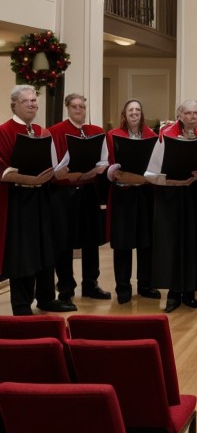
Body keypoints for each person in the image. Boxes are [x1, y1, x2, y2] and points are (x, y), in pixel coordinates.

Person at [0, 86, 71, 315]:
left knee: (45, 247)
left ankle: (46, 298)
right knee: (22, 252)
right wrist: (30, 180)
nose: (32, 104)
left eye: (34, 101)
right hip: (18, 201)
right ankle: (21, 304)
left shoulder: (42, 131)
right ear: (15, 104)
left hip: (42, 198)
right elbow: (2, 172)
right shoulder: (3, 131)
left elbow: (51, 163)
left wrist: (59, 172)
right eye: (27, 101)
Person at [145, 99, 197, 312]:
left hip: (192, 193)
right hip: (170, 196)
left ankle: (190, 293)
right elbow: (151, 172)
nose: (194, 117)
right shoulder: (166, 135)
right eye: (189, 113)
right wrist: (170, 180)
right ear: (180, 115)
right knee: (172, 243)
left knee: (192, 242)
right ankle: (174, 294)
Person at [48, 92, 109, 305]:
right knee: (63, 242)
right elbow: (52, 164)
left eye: (81, 106)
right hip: (63, 194)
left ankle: (91, 284)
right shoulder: (55, 132)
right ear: (68, 108)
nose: (78, 110)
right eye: (74, 106)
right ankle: (65, 288)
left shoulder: (96, 131)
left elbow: (103, 160)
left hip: (88, 191)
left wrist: (90, 173)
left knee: (90, 240)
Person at [106, 99, 159, 304]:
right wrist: (118, 174)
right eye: (131, 110)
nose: (134, 113)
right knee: (123, 244)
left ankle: (146, 284)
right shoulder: (113, 136)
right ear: (124, 114)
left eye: (138, 109)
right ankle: (123, 287)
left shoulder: (152, 136)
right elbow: (109, 165)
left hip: (145, 194)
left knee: (146, 243)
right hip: (123, 196)